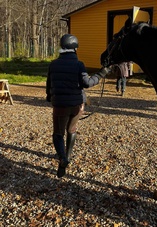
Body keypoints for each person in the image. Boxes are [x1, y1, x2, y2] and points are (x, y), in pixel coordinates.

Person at [46, 34, 110, 178]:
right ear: (75, 48)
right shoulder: (79, 64)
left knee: (58, 134)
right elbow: (87, 83)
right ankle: (67, 155)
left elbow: (49, 83)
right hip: (77, 106)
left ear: (62, 47)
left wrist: (49, 97)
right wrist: (101, 74)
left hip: (60, 105)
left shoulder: (53, 64)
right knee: (71, 130)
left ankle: (63, 158)